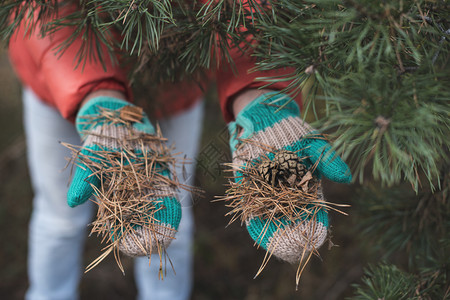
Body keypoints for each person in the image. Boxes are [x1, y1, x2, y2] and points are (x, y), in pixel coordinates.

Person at [8, 1, 352, 300]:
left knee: (172, 214)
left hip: (175, 86)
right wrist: (98, 101)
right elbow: (42, 10)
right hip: (58, 81)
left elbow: (240, 7)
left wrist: (260, 95)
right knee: (60, 217)